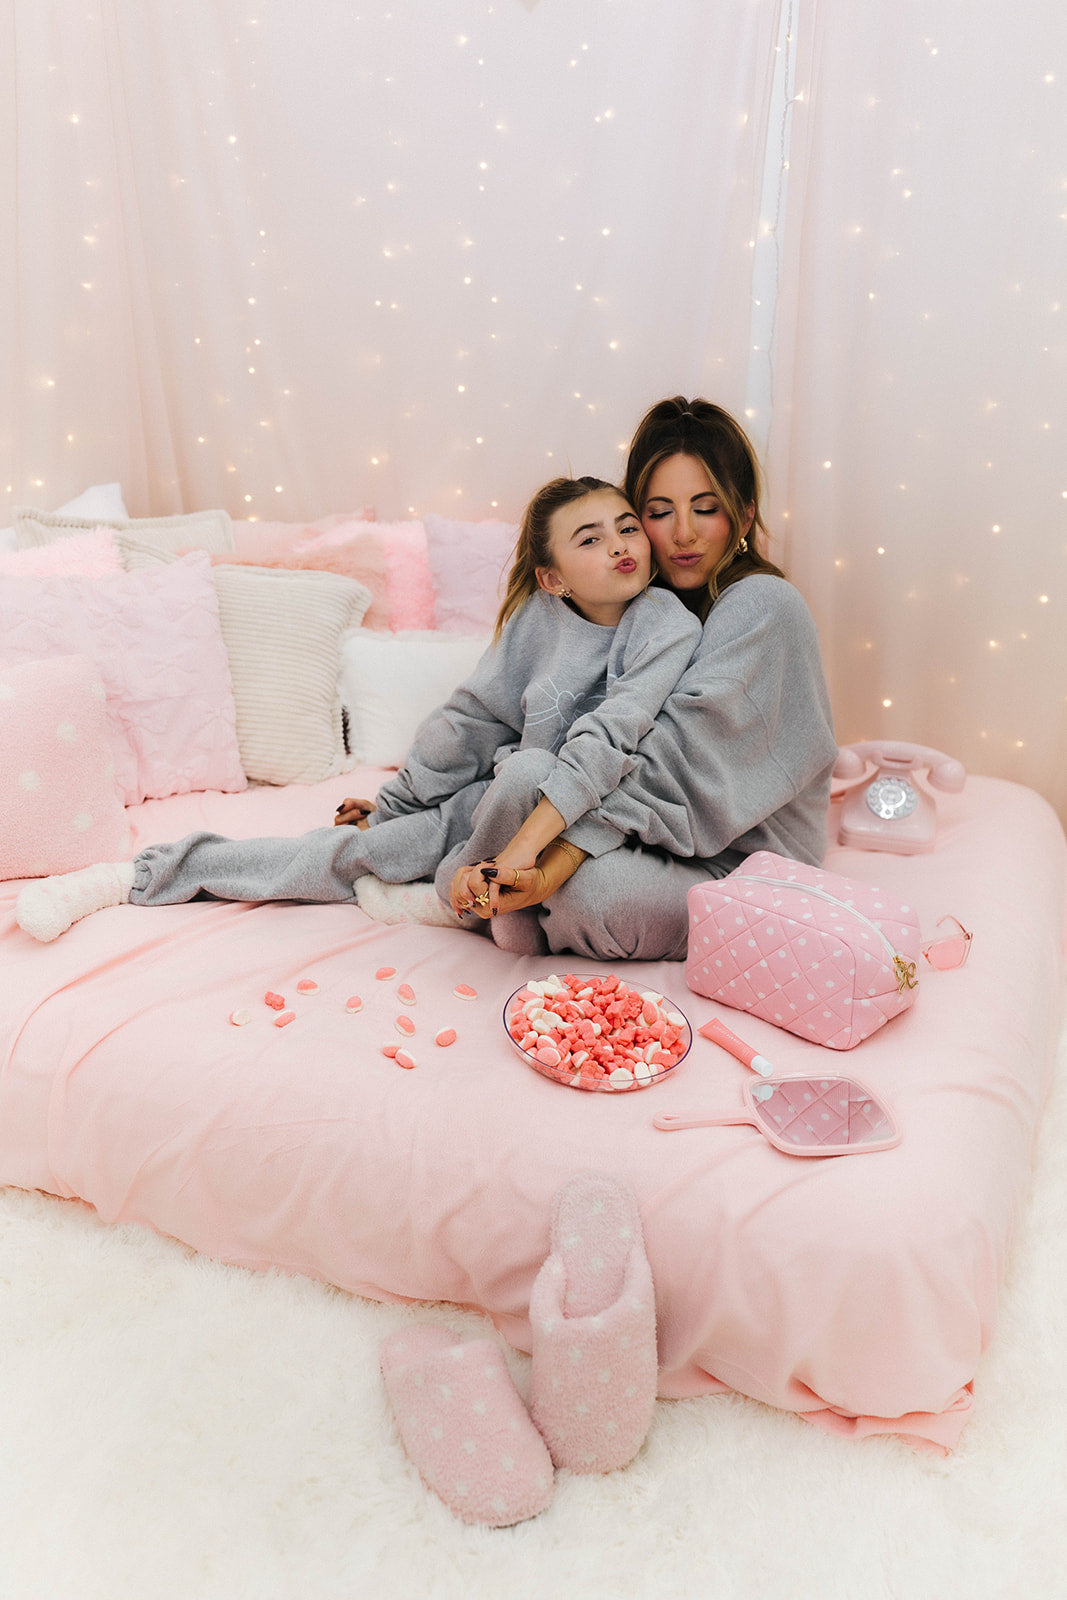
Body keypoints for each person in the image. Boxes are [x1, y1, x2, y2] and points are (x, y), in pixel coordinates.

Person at [16, 476, 701, 944]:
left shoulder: (666, 624)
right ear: (551, 576)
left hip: (583, 828)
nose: (620, 545)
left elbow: (612, 740)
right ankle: (136, 877)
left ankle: (448, 896)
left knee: (527, 772)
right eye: (590, 538)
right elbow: (469, 721)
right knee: (346, 853)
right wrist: (396, 803)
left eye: (624, 528)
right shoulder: (537, 618)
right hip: (488, 812)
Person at [436, 396, 838, 961]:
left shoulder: (764, 605)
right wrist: (405, 805)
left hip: (741, 861)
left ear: (744, 516)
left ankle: (520, 903)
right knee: (526, 773)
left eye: (705, 508)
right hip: (637, 835)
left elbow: (675, 765)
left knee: (597, 897)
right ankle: (500, 895)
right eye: (658, 510)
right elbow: (541, 728)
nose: (682, 534)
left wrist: (545, 865)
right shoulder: (637, 608)